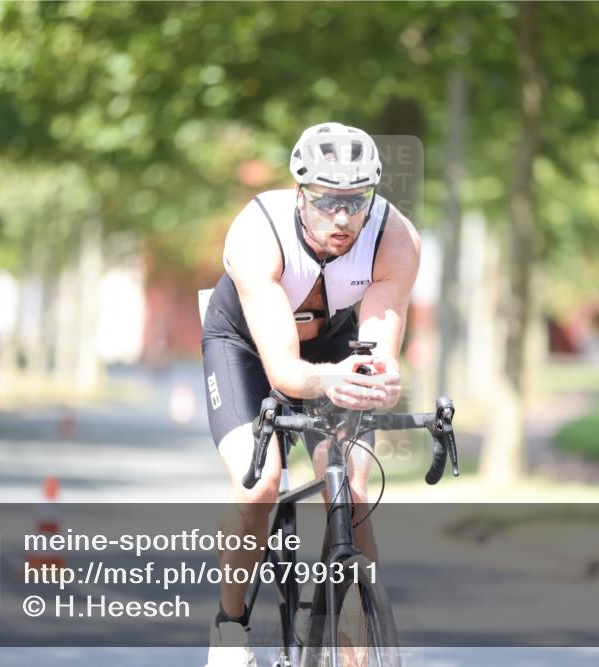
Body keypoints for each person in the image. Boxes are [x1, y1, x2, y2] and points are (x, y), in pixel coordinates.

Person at [201, 122, 420, 666]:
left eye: (355, 201)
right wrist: (330, 380)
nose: (342, 218)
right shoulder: (258, 234)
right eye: (326, 200)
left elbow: (378, 351)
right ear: (300, 193)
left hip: (333, 342)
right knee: (260, 486)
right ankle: (230, 627)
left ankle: (348, 642)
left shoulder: (395, 238)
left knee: (353, 488)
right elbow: (284, 373)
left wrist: (381, 378)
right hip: (245, 346)